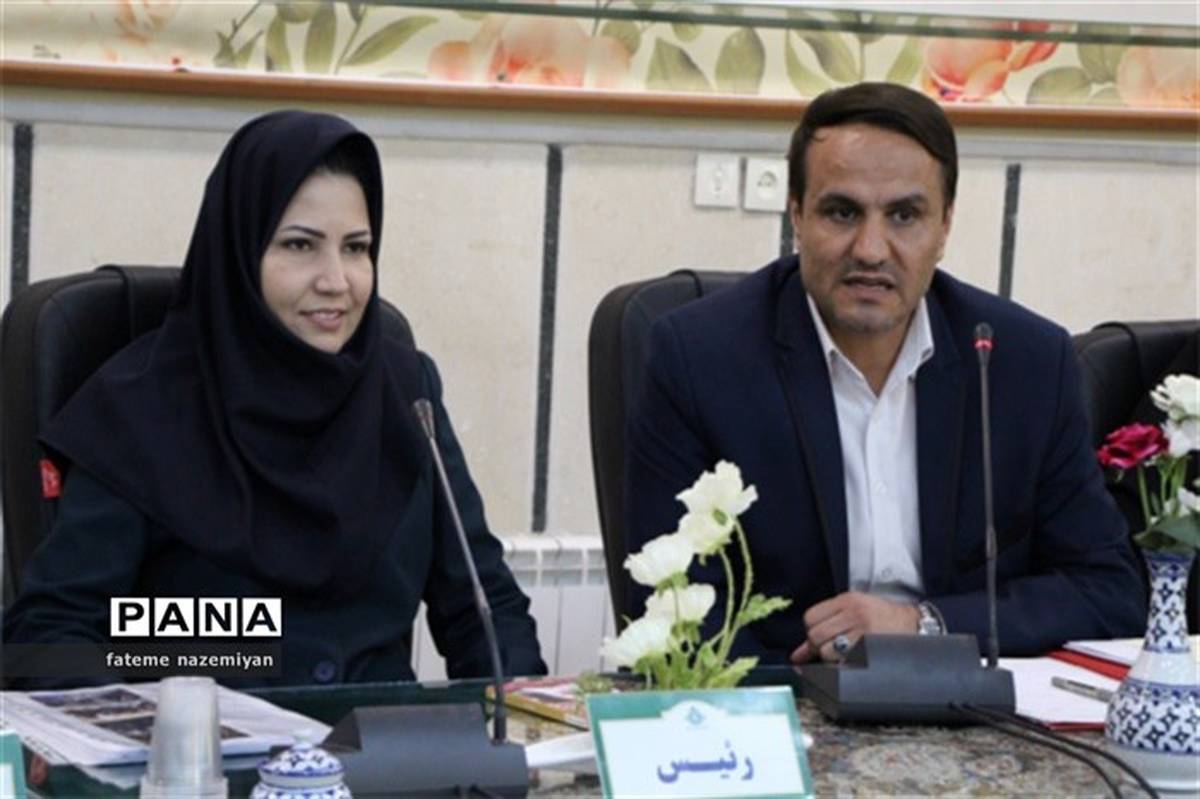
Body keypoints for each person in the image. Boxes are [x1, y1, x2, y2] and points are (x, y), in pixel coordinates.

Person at [3, 111, 546, 687]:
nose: (336, 280)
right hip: (210, 738)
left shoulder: (406, 392)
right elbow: (49, 639)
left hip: (383, 739)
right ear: (239, 252)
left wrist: (519, 719)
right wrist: (211, 666)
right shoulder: (138, 411)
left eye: (356, 247)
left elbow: (485, 610)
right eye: (299, 245)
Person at [624, 82, 1145, 665]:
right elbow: (673, 603)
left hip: (967, 697)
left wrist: (925, 625)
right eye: (842, 212)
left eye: (904, 216)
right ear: (796, 215)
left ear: (944, 227)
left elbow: (1108, 590)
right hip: (788, 696)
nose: (871, 249)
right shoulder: (699, 358)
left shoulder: (1024, 362)